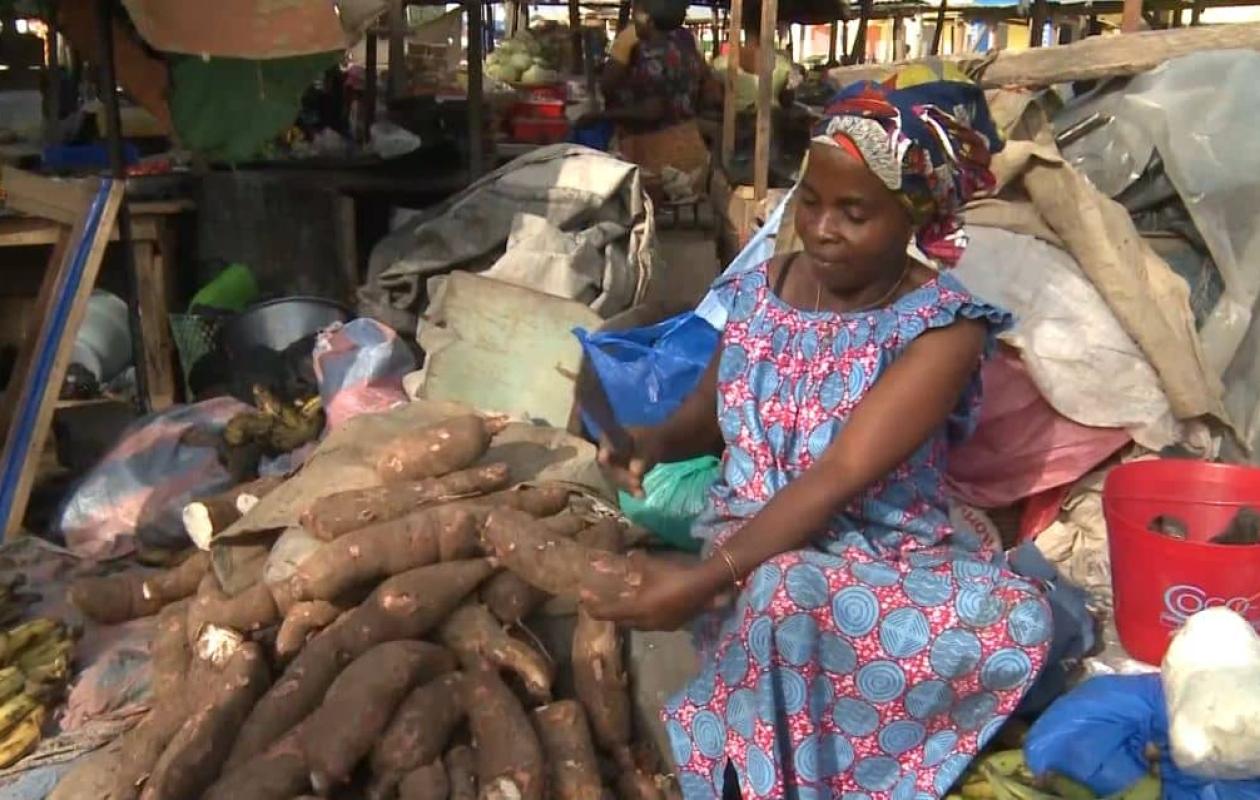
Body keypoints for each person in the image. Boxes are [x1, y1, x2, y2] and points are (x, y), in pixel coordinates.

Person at [587, 74, 1053, 800]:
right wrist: (650, 442)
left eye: (854, 212)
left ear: (914, 220)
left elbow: (838, 474)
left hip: (875, 557)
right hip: (754, 545)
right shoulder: (763, 285)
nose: (822, 227)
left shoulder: (943, 327)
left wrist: (705, 581)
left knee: (1016, 617)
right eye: (809, 201)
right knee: (775, 588)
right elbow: (710, 412)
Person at [579, 0, 712, 202]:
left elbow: (649, 111)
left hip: (657, 162)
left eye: (637, 13)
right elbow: (705, 85)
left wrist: (600, 116)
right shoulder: (687, 40)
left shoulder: (643, 47)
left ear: (648, 19)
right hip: (693, 153)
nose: (634, 19)